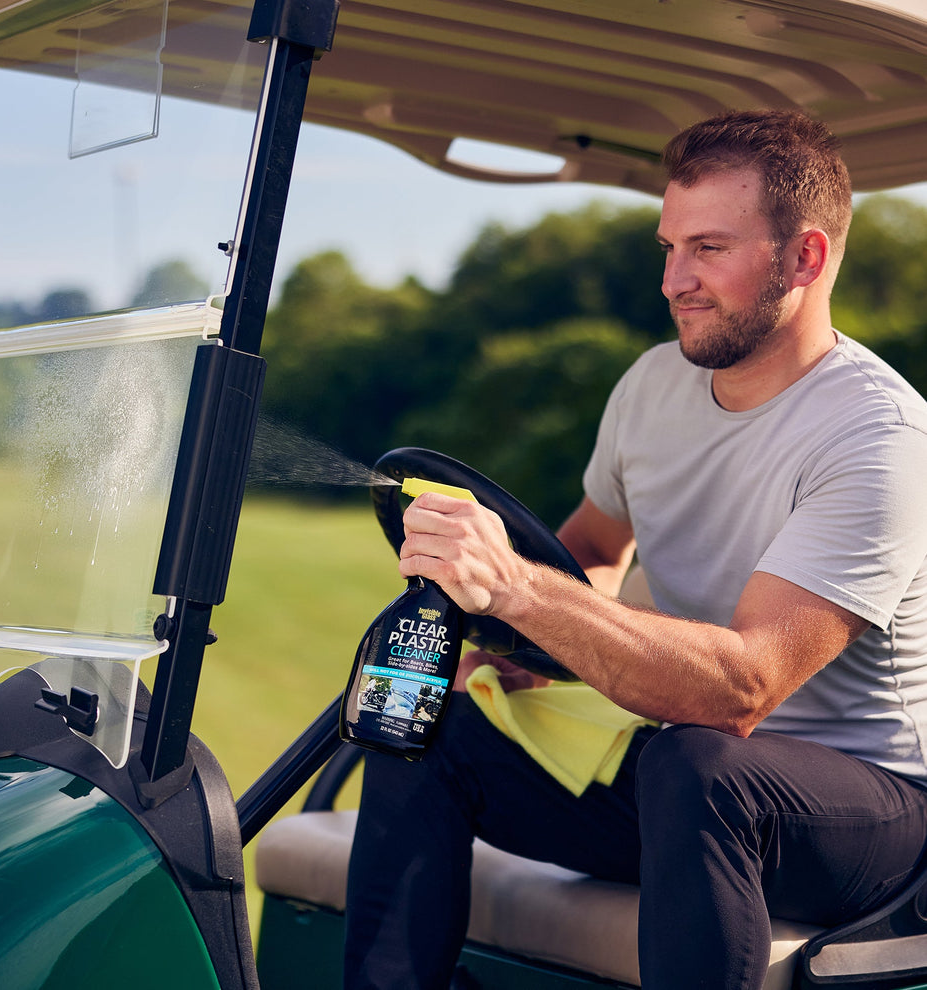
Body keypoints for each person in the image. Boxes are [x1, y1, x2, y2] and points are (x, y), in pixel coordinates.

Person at [343, 109, 927, 990]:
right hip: (682, 785)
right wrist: (521, 648)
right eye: (669, 247)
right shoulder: (653, 385)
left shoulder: (879, 438)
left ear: (805, 258)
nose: (673, 281)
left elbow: (740, 691)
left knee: (700, 763)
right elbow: (587, 548)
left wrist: (521, 593)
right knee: (424, 725)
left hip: (872, 816)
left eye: (708, 249)